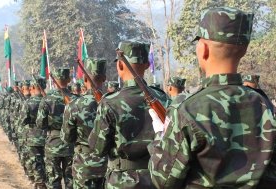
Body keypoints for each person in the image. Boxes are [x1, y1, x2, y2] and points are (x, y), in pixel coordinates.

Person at [148, 7, 276, 188]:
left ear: (204, 49)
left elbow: (164, 180)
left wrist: (160, 136)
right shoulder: (267, 107)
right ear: (244, 50)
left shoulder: (187, 110)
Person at [88, 41, 171, 189]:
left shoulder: (110, 101)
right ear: (147, 65)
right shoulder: (163, 98)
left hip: (121, 180)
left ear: (119, 66)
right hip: (156, 178)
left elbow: (97, 148)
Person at [61, 58, 108, 189]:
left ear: (85, 80)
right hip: (108, 166)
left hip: (83, 165)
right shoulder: (115, 103)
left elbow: (66, 138)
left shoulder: (74, 105)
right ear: (104, 78)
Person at [36, 68, 75, 189]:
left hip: (53, 143)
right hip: (71, 144)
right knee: (71, 179)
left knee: (53, 179)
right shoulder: (77, 99)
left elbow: (40, 124)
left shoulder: (47, 99)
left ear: (53, 81)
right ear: (69, 80)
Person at [19, 77, 47, 189]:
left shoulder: (28, 102)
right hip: (48, 137)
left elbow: (23, 120)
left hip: (33, 137)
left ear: (34, 87)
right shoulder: (49, 100)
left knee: (36, 161)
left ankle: (40, 183)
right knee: (48, 162)